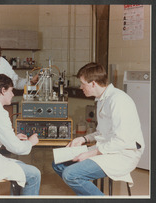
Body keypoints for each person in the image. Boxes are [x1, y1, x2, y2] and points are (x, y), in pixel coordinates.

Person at [52, 62, 145, 196]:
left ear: (93, 83)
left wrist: (89, 154)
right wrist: (83, 139)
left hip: (123, 155)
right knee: (58, 164)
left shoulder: (118, 101)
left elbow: (122, 141)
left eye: (83, 83)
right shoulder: (102, 99)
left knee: (71, 174)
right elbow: (102, 133)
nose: (80, 87)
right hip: (106, 149)